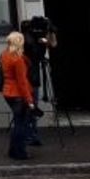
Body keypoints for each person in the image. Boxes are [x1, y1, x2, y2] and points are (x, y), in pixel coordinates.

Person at [22, 16, 57, 145]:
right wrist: (41, 41)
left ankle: (32, 134)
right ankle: (28, 135)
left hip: (33, 76)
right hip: (29, 77)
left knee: (32, 106)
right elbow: (35, 53)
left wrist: (52, 32)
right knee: (30, 106)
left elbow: (53, 44)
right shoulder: (28, 39)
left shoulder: (38, 38)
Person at [0, 30, 34, 160]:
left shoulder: (4, 54)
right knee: (21, 125)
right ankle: (19, 151)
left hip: (8, 92)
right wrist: (29, 100)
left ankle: (13, 150)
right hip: (18, 94)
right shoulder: (18, 59)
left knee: (18, 122)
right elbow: (22, 82)